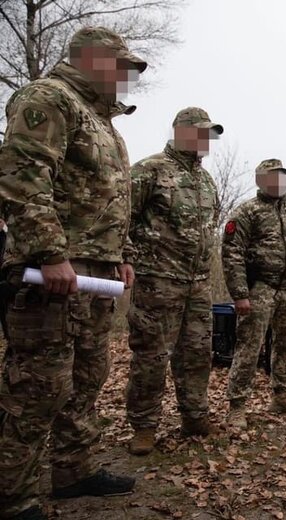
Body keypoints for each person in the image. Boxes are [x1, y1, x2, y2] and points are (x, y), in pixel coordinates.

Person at [0, 26, 146, 520]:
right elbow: (23, 177)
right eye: (121, 66)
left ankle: (73, 471)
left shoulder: (105, 124)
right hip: (54, 273)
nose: (126, 78)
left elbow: (112, 201)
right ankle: (13, 494)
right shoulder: (47, 98)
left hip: (96, 275)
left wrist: (122, 253)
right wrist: (46, 252)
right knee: (39, 384)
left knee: (87, 377)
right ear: (90, 59)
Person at [124, 107, 223, 455]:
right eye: (200, 132)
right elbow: (123, 217)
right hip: (157, 282)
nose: (206, 140)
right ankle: (144, 426)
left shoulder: (206, 181)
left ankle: (195, 416)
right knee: (151, 356)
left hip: (198, 284)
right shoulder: (150, 170)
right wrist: (126, 258)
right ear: (181, 132)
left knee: (197, 353)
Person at [221, 159, 286, 427]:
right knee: (249, 346)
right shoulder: (246, 213)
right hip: (259, 288)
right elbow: (232, 254)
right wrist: (240, 293)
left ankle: (281, 396)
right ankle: (237, 405)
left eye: (282, 176)